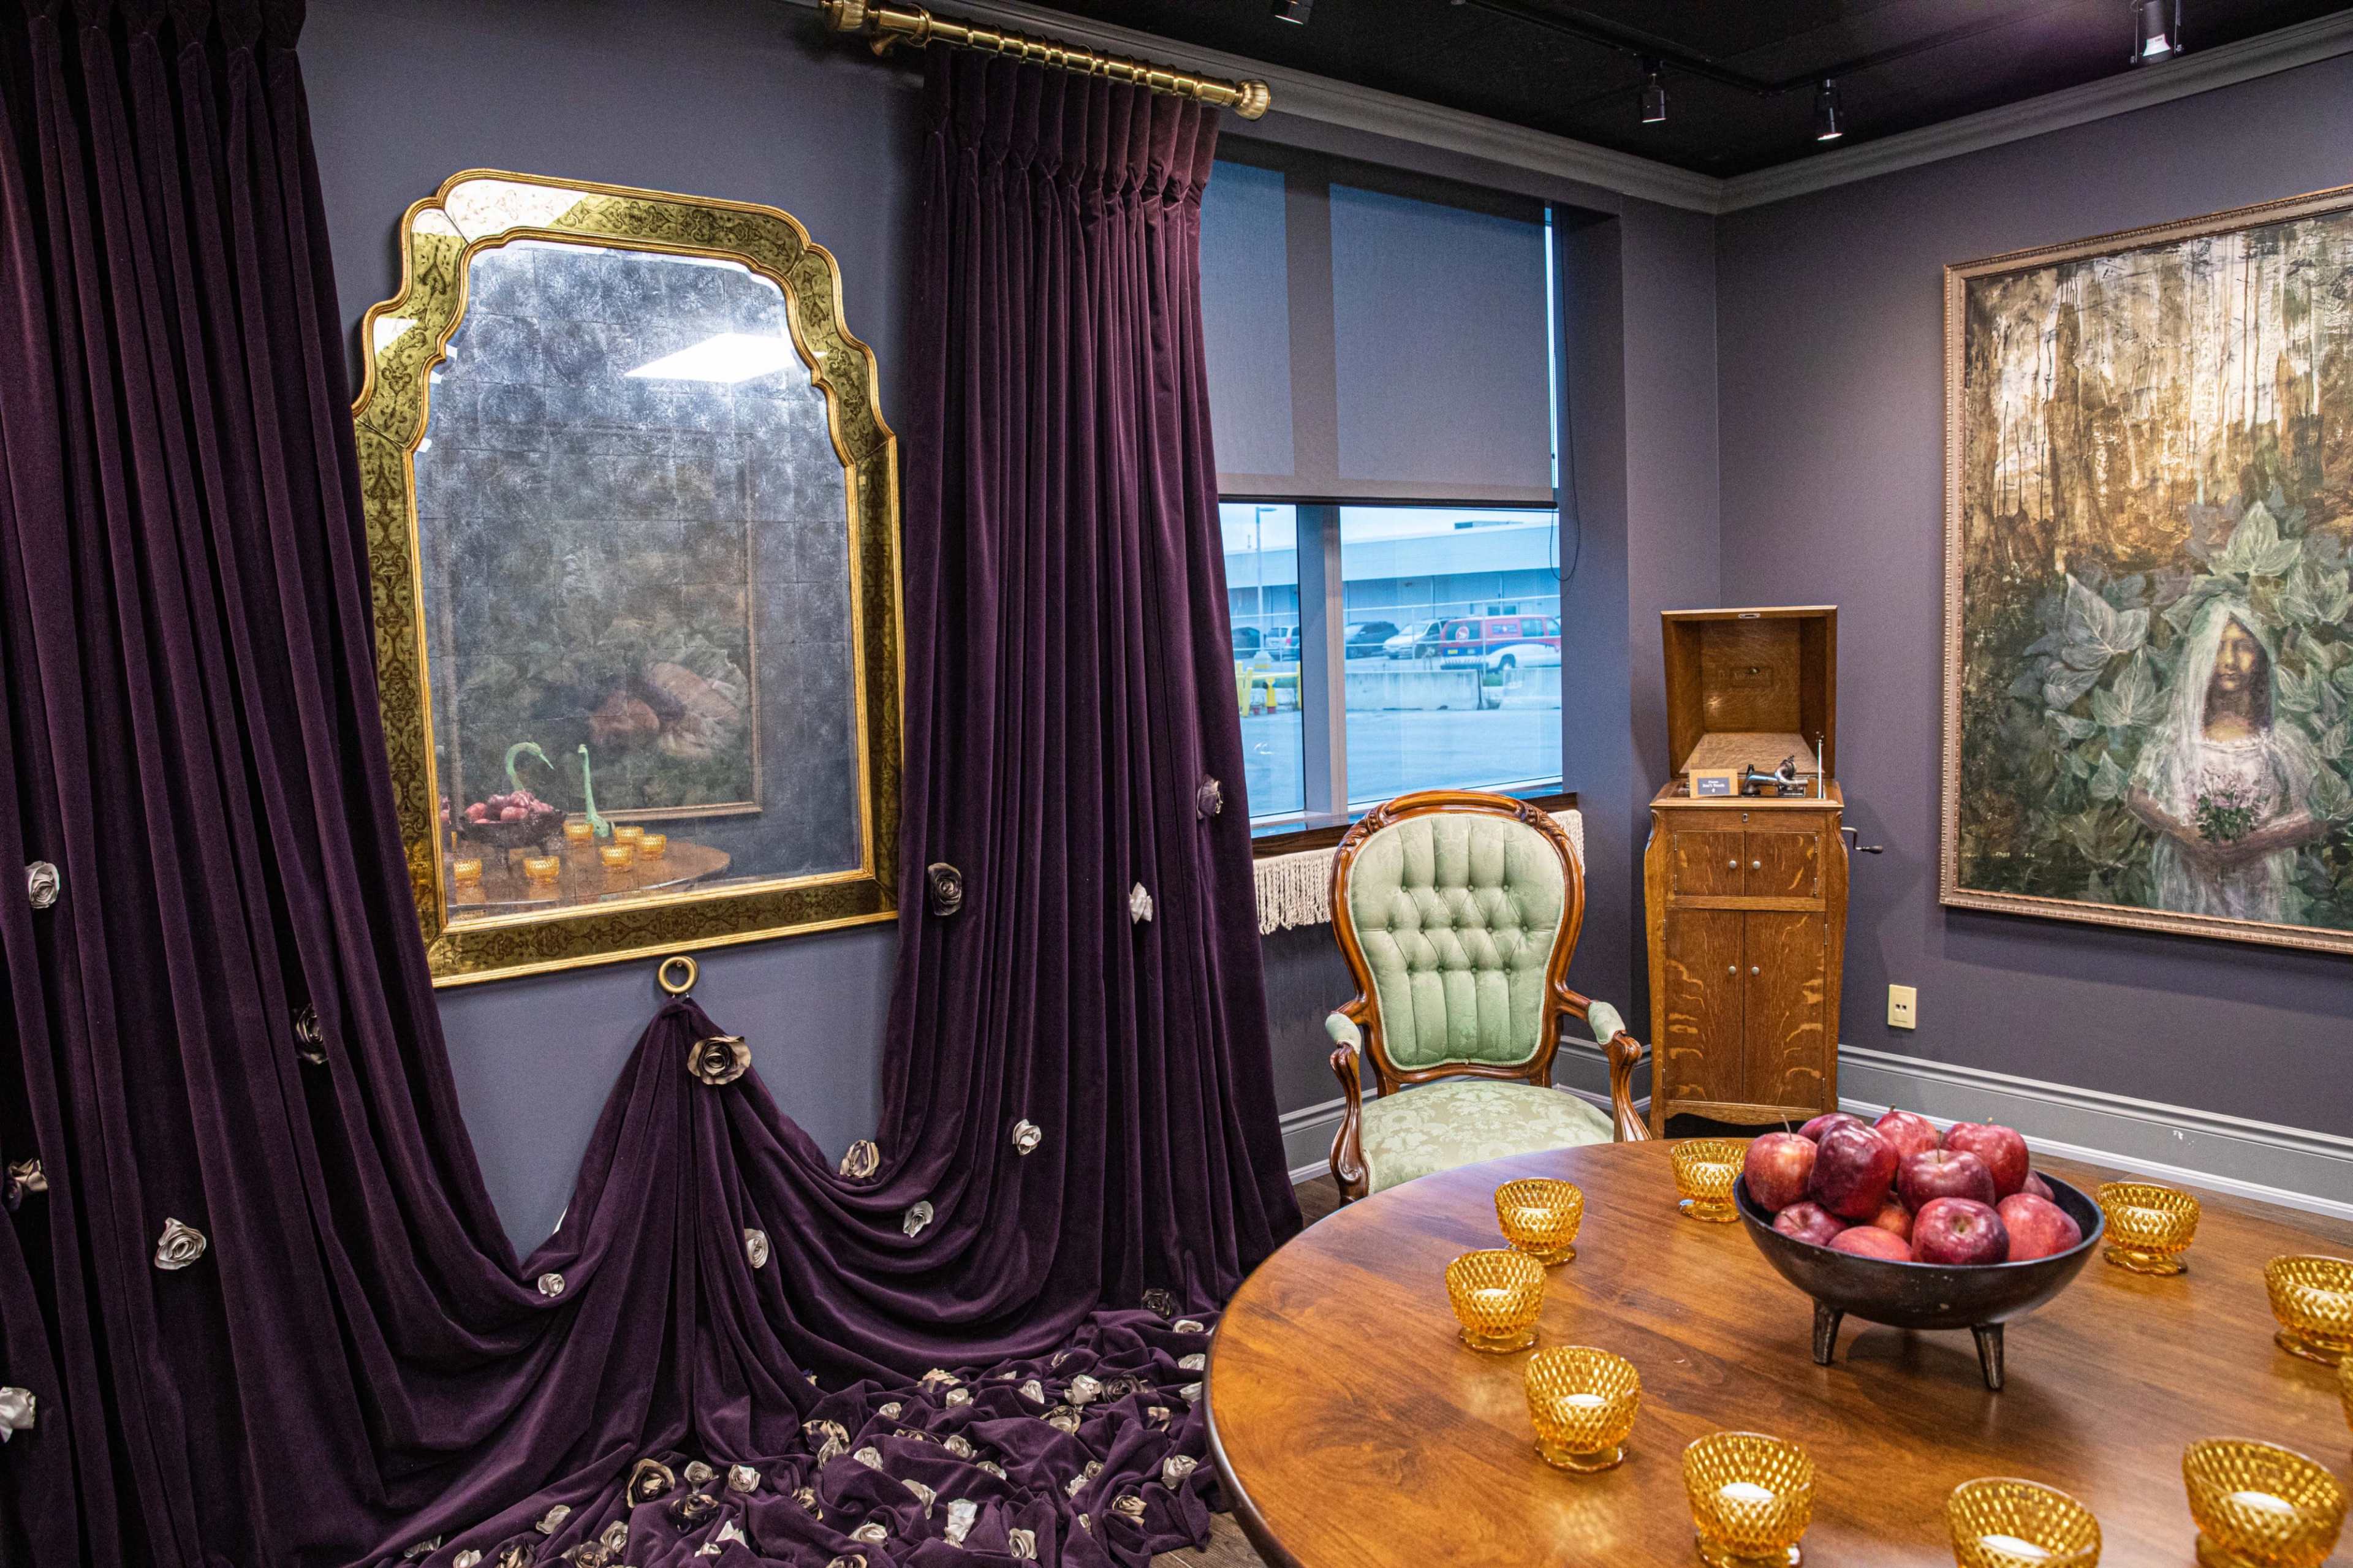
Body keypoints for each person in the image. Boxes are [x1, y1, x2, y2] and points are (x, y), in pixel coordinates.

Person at [2126, 597, 2326, 923]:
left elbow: (2317, 813)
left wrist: (2257, 841)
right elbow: (2137, 795)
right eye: (2218, 647)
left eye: (2243, 647)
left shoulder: (2280, 740)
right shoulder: (2176, 736)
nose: (2229, 660)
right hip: (2189, 875)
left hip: (2260, 879)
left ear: (2260, 657)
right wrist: (2187, 835)